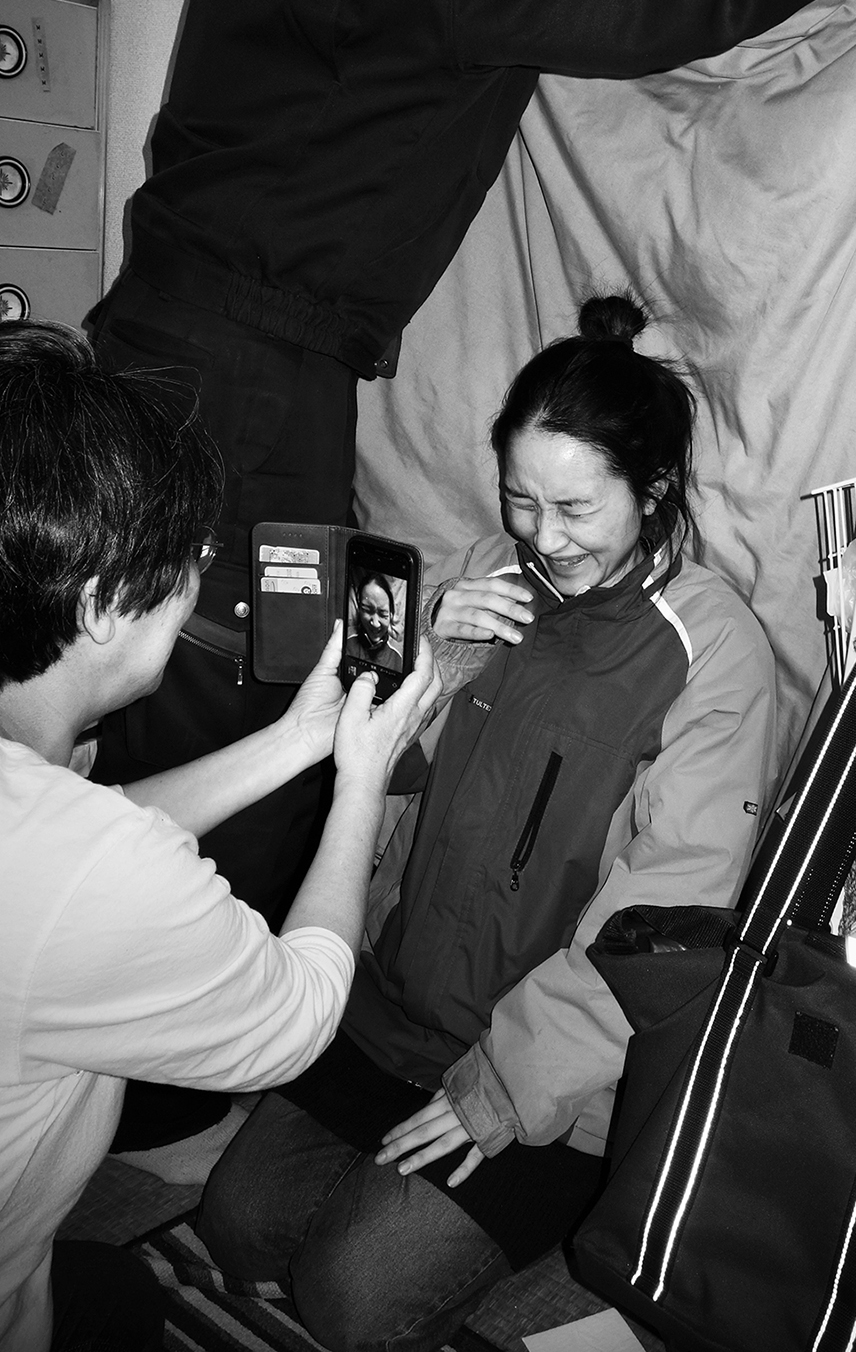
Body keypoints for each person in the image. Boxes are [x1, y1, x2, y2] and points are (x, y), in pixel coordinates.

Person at [85, 0, 856, 1083]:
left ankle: (144, 1042)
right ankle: (162, 1063)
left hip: (209, 359)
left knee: (209, 697)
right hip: (238, 395)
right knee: (240, 707)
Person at [197, 291, 778, 1351]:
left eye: (575, 510)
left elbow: (664, 925)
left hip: (548, 1066)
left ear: (651, 493)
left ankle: (543, 1237)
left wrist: (506, 1093)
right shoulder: (479, 575)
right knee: (237, 1228)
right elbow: (372, 778)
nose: (540, 538)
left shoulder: (715, 652)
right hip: (395, 1010)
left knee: (350, 1294)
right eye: (520, 500)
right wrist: (431, 652)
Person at [0, 320, 439, 1352]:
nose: (197, 577)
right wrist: (360, 781)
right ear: (103, 607)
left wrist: (301, 741)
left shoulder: (27, 805)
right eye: (187, 558)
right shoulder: (85, 867)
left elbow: (79, 843)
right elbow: (298, 1014)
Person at [346, 573, 405, 672]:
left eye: (383, 614)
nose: (375, 623)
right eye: (367, 610)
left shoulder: (398, 656)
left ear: (391, 615)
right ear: (359, 609)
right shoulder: (346, 641)